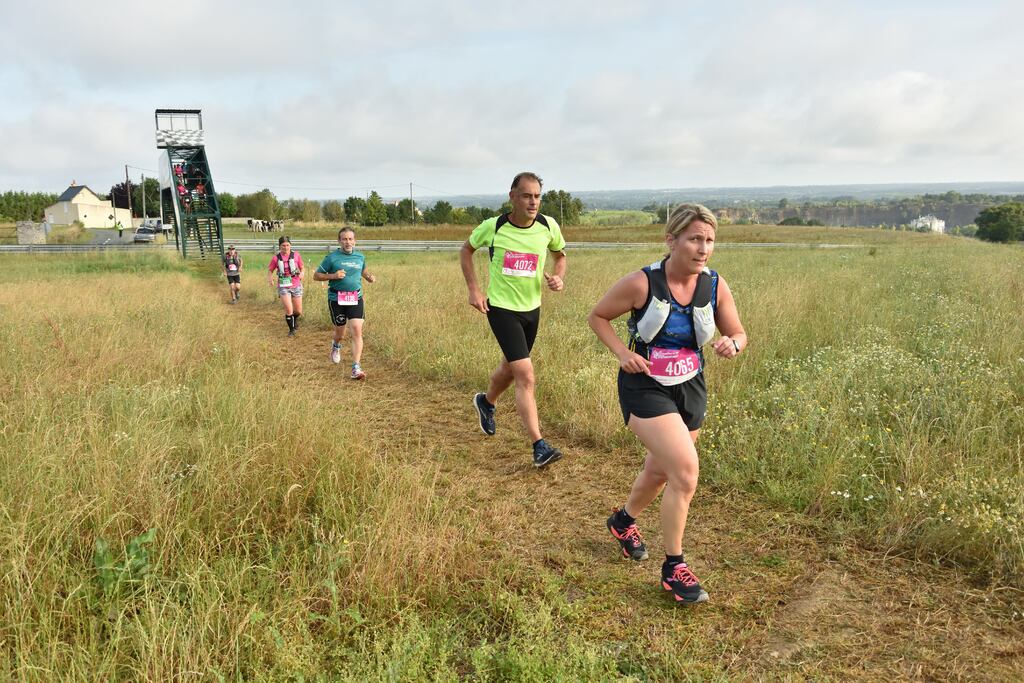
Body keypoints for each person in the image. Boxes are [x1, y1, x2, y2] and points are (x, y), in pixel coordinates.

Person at [587, 203, 747, 606]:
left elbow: (738, 332)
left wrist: (733, 344)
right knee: (686, 472)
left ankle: (622, 521)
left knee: (660, 470)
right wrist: (623, 353)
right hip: (644, 386)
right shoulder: (642, 283)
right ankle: (674, 567)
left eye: (709, 240)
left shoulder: (715, 285)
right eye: (695, 239)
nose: (703, 248)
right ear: (671, 240)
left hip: (691, 385)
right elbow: (598, 317)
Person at [460, 171, 567, 468]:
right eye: (526, 196)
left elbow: (560, 255)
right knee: (525, 374)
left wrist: (559, 277)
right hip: (501, 309)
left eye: (537, 196)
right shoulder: (493, 227)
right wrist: (474, 289)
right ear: (512, 197)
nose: (533, 202)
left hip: (532, 309)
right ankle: (539, 445)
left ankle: (486, 402)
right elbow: (466, 250)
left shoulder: (548, 226)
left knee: (510, 367)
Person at [313, 227, 377, 379]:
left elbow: (363, 271)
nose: (347, 242)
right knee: (340, 333)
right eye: (344, 239)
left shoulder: (360, 257)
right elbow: (316, 276)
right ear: (339, 241)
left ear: (355, 241)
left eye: (350, 239)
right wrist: (333, 276)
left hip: (356, 298)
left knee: (356, 330)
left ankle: (356, 367)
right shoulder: (331, 258)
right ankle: (336, 346)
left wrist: (369, 277)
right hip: (337, 299)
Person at [267, 235, 304, 336]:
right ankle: (291, 330)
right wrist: (270, 278)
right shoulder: (276, 258)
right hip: (283, 286)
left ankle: (294, 319)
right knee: (289, 309)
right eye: (283, 245)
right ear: (280, 246)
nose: (286, 247)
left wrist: (302, 273)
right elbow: (270, 270)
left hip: (296, 284)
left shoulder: (296, 255)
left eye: (287, 245)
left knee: (298, 311)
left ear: (290, 245)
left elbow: (302, 267)